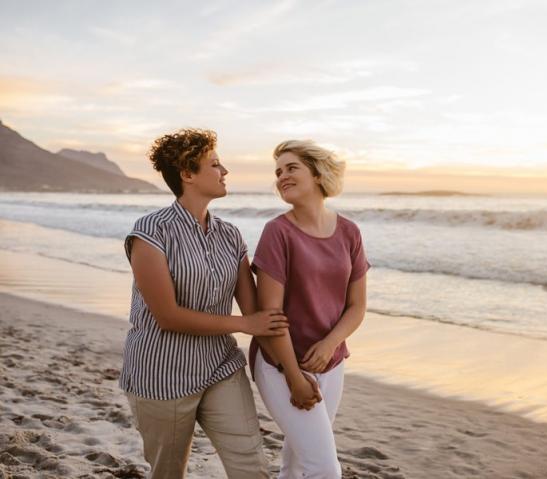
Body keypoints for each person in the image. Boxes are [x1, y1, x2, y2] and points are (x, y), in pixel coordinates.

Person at [120, 128, 287, 479]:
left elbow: (255, 309)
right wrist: (245, 325)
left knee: (252, 466)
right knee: (168, 472)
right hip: (161, 374)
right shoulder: (150, 232)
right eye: (215, 164)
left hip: (219, 366)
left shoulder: (230, 234)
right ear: (187, 174)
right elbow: (167, 316)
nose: (225, 171)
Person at [249, 140, 369, 478]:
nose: (282, 176)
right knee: (324, 468)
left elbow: (357, 306)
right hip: (279, 363)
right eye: (277, 172)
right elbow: (270, 316)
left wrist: (330, 344)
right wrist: (293, 374)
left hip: (331, 364)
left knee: (301, 461)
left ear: (317, 174)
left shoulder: (349, 232)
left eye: (291, 168)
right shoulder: (277, 232)